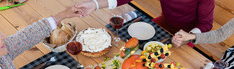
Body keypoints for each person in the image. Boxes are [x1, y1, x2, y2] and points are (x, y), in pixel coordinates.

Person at [75, 0, 215, 34]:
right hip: (163, 23)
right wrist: (95, 4)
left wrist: (190, 36)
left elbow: (206, 24)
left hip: (188, 35)